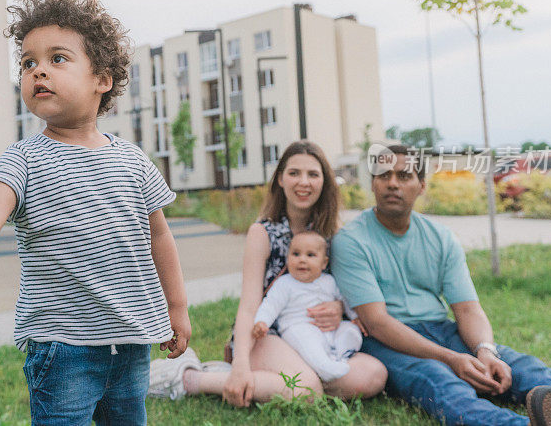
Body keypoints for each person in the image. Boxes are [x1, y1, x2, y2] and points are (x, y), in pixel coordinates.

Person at [0, 0, 190, 426]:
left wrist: (177, 308)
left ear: (102, 79)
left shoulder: (133, 160)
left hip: (132, 341)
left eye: (57, 58)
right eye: (27, 63)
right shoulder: (24, 158)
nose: (38, 71)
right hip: (63, 348)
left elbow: (160, 237)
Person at [331, 144, 551, 426]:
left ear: (421, 186)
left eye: (404, 176)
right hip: (385, 341)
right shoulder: (351, 240)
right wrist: (452, 359)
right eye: (384, 176)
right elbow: (377, 322)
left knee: (521, 367)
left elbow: (467, 309)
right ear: (373, 183)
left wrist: (484, 351)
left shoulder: (440, 237)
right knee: (441, 383)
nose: (392, 183)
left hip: (441, 330)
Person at [148, 140, 387, 404]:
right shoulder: (262, 232)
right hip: (265, 333)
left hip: (317, 335)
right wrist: (240, 364)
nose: (303, 182)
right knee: (306, 389)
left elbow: (343, 291)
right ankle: (191, 378)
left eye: (313, 174)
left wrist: (338, 308)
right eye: (294, 173)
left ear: (325, 182)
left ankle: (285, 380)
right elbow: (249, 306)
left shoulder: (333, 234)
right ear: (281, 180)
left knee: (373, 374)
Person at [252, 231, 363, 382]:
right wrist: (262, 322)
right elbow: (270, 305)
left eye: (310, 255)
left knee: (350, 330)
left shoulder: (329, 281)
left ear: (324, 263)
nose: (302, 260)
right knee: (308, 341)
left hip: (329, 329)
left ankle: (341, 355)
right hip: (298, 327)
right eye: (296, 254)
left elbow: (344, 299)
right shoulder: (285, 284)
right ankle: (324, 368)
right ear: (287, 258)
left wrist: (355, 317)